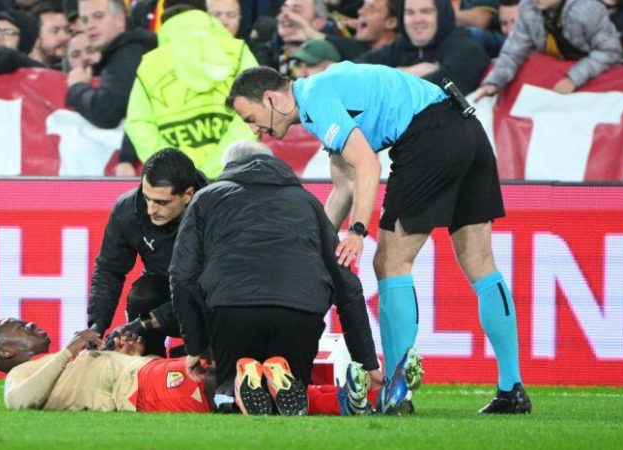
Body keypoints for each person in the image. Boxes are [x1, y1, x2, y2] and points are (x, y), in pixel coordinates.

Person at [226, 64, 531, 414]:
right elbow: (344, 186)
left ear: (271, 97)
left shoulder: (314, 101)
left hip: (430, 135)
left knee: (389, 262)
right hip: (465, 129)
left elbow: (368, 167)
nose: (255, 131)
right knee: (480, 263)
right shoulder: (322, 97)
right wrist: (313, 247)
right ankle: (512, 388)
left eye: (251, 117)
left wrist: (357, 231)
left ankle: (396, 392)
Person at [169, 141, 385, 415]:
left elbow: (181, 276)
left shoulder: (207, 198)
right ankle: (281, 378)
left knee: (228, 399)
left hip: (233, 312)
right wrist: (366, 361)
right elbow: (347, 286)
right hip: (299, 314)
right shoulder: (307, 202)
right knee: (291, 402)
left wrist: (197, 345)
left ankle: (235, 386)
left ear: (228, 167)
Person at [0, 318, 382, 416]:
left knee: (234, 383)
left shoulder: (53, 363)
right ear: (6, 353)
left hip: (148, 374)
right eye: (19, 327)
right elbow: (21, 401)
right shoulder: (22, 373)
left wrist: (131, 353)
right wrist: (70, 350)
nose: (31, 324)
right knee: (220, 383)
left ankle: (359, 397)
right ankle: (355, 399)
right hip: (141, 391)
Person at [87, 149, 206, 358]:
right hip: (166, 293)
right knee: (143, 295)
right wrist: (96, 326)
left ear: (187, 195)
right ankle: (149, 368)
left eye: (161, 202)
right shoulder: (127, 210)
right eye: (146, 197)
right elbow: (109, 270)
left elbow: (214, 286)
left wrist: (150, 320)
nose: (150, 209)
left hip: (210, 299)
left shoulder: (216, 211)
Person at [124, 6, 258, 180]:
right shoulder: (238, 51)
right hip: (235, 176)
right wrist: (220, 163)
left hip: (176, 184)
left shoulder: (150, 65)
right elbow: (255, 106)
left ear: (165, 27)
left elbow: (139, 123)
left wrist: (174, 169)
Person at [473, 0, 622, 99]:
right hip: (554, 86)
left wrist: (574, 78)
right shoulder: (527, 7)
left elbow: (610, 51)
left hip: (593, 87)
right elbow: (513, 52)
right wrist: (493, 82)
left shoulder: (589, 9)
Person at [357, 0, 490, 95]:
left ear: (442, 14)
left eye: (426, 11)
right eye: (410, 13)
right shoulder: (402, 44)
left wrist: (390, 77)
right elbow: (353, 71)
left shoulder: (466, 47)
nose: (417, 19)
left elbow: (432, 94)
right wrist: (407, 72)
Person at [65, 0, 157, 129]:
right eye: (85, 20)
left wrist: (77, 87)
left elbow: (107, 112)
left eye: (98, 16)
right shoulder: (123, 51)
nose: (90, 25)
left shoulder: (128, 53)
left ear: (119, 19)